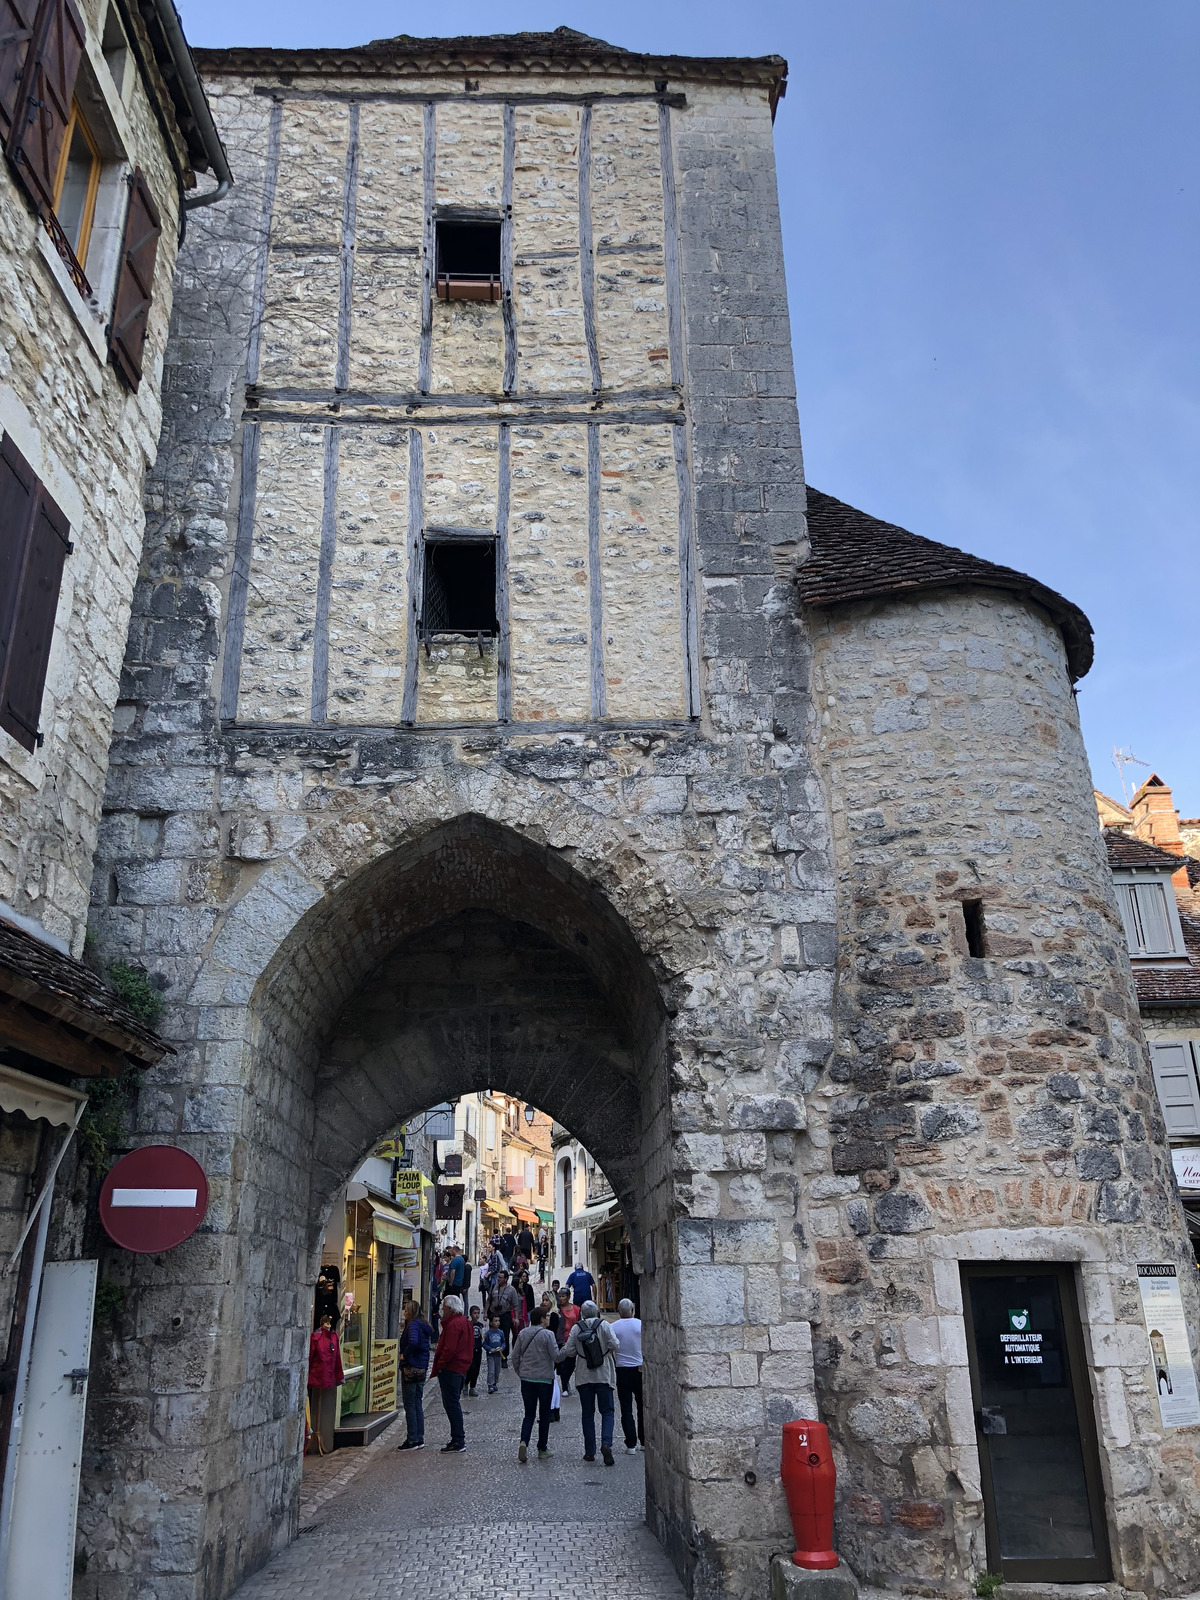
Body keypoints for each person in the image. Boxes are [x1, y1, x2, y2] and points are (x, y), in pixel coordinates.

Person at [557, 1299, 619, 1465]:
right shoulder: (604, 1325)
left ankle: (589, 1451)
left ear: (582, 1314)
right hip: (604, 1373)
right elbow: (615, 1344)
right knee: (607, 1411)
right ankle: (606, 1443)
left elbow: (569, 1351)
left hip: (584, 1375)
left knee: (587, 1413)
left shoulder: (577, 1328)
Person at [511, 1305, 559, 1461]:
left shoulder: (523, 1333)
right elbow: (556, 1356)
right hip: (545, 1379)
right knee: (544, 1414)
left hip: (527, 1379)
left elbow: (515, 1356)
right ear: (542, 1319)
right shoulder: (548, 1334)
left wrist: (521, 1372)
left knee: (529, 1414)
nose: (548, 1319)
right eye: (547, 1316)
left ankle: (524, 1441)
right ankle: (542, 1448)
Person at [430, 1294, 473, 1452]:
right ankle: (457, 1438)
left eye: (444, 1307)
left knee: (452, 1404)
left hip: (452, 1369)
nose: (442, 1310)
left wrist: (441, 1364)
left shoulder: (454, 1324)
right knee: (453, 1403)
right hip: (460, 1368)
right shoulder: (464, 1322)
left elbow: (450, 1348)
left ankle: (458, 1439)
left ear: (451, 1308)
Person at [396, 1299, 432, 1450]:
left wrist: (405, 1355)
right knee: (417, 1403)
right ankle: (419, 1437)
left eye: (405, 1310)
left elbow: (414, 1342)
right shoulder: (422, 1325)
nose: (404, 1312)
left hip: (411, 1367)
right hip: (421, 1367)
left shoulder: (413, 1326)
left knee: (410, 1404)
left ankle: (412, 1439)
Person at [611, 1297, 644, 1453]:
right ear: (633, 1310)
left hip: (622, 1368)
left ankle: (630, 1444)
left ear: (618, 1311)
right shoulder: (640, 1325)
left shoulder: (613, 1327)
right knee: (642, 1406)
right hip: (639, 1368)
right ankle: (644, 1440)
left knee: (626, 1408)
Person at [488, 1270, 520, 1362]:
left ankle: (504, 1357)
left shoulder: (511, 1290)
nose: (498, 1279)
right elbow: (489, 1299)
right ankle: (493, 1354)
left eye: (500, 1277)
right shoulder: (494, 1286)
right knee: (493, 1335)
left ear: (506, 1279)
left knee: (504, 1336)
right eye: (498, 1277)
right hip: (494, 1313)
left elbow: (516, 1305)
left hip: (505, 1315)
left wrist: (516, 1318)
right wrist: (486, 1312)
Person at [555, 1288, 579, 1396]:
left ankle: (566, 1381)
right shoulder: (557, 1310)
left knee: (571, 1364)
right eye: (559, 1296)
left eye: (563, 1296)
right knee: (563, 1365)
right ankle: (565, 1387)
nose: (561, 1298)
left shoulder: (576, 1309)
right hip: (561, 1340)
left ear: (568, 1297)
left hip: (573, 1340)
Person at [483, 1315, 506, 1392]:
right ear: (491, 1322)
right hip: (491, 1355)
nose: (497, 1323)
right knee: (491, 1370)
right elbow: (484, 1344)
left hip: (498, 1355)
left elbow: (503, 1342)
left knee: (497, 1370)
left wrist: (502, 1348)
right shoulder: (488, 1333)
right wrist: (490, 1349)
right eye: (495, 1321)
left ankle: (495, 1383)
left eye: (498, 1321)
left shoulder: (501, 1332)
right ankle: (490, 1384)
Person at [465, 1304, 484, 1397]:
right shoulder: (468, 1325)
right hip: (470, 1349)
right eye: (474, 1313)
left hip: (478, 1349)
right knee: (470, 1367)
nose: (476, 1315)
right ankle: (466, 1382)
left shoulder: (480, 1325)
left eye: (478, 1313)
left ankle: (473, 1386)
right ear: (471, 1314)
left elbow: (482, 1337)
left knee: (477, 1369)